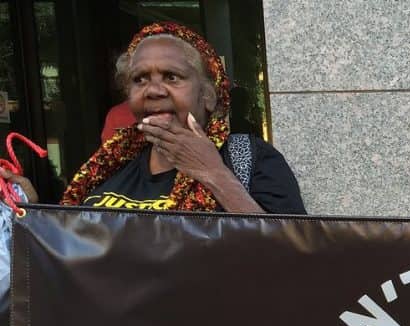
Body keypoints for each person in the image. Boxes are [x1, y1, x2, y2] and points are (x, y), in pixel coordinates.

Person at [0, 22, 305, 214]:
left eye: (172, 77)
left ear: (208, 96)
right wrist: (27, 208)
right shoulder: (109, 166)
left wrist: (213, 173)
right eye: (140, 80)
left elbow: (290, 259)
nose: (153, 90)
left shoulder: (250, 159)